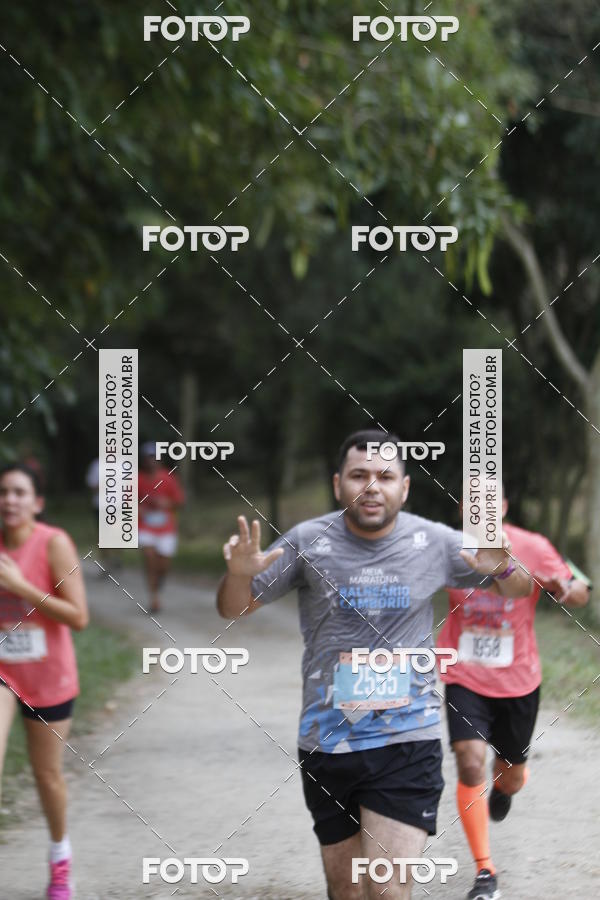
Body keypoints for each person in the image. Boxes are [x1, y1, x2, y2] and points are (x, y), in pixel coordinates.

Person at [216, 430, 532, 900]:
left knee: (386, 888)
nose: (372, 486)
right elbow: (233, 609)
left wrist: (503, 567)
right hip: (326, 740)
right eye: (359, 475)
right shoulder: (308, 541)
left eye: (385, 477)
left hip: (408, 737)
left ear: (404, 488)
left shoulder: (435, 542)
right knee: (346, 891)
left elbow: (520, 589)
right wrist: (239, 577)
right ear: (338, 482)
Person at [437, 484, 590, 900]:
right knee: (469, 762)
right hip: (463, 673)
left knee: (512, 774)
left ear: (503, 506)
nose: (479, 508)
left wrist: (564, 587)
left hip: (518, 680)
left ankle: (504, 788)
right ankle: (485, 872)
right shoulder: (447, 546)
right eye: (470, 500)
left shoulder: (533, 545)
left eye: (488, 501)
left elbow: (581, 589)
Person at [0, 463, 88, 899]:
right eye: (3, 492)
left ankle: (59, 858)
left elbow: (79, 617)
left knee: (46, 776)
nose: (9, 500)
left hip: (49, 675)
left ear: (37, 502)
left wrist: (20, 585)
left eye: (19, 492)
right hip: (2, 671)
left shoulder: (53, 544)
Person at [137, 442, 185, 613]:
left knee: (163, 565)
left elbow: (180, 501)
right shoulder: (137, 479)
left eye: (154, 457)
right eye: (148, 457)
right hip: (144, 526)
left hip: (166, 528)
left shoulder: (169, 478)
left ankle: (159, 581)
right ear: (143, 460)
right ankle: (154, 597)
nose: (151, 461)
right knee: (149, 558)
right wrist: (139, 507)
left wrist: (168, 503)